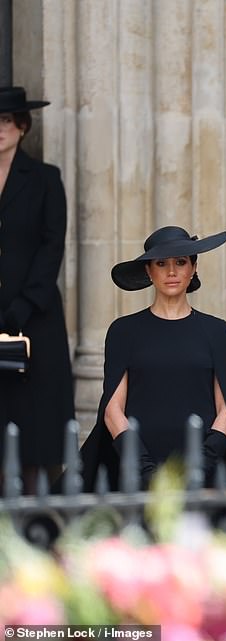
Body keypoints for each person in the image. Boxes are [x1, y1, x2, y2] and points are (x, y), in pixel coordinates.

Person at [79, 226, 226, 490]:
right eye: (161, 263)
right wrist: (146, 471)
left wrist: (198, 468)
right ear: (148, 271)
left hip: (203, 474)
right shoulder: (124, 331)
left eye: (180, 262)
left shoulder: (217, 331)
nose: (172, 272)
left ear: (194, 268)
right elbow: (112, 411)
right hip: (136, 473)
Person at [0, 86, 75, 493]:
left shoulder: (45, 179)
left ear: (22, 127)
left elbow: (52, 244)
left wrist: (24, 305)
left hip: (35, 319)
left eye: (6, 121)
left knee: (34, 428)